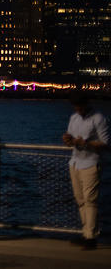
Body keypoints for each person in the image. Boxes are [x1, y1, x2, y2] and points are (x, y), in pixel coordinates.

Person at [62, 90, 109, 250]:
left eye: (80, 106)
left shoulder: (99, 118)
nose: (78, 109)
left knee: (90, 200)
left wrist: (86, 144)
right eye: (76, 106)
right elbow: (70, 138)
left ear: (87, 103)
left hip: (90, 162)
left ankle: (91, 237)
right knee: (81, 200)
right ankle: (86, 234)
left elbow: (106, 143)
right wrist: (67, 139)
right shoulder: (73, 118)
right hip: (74, 162)